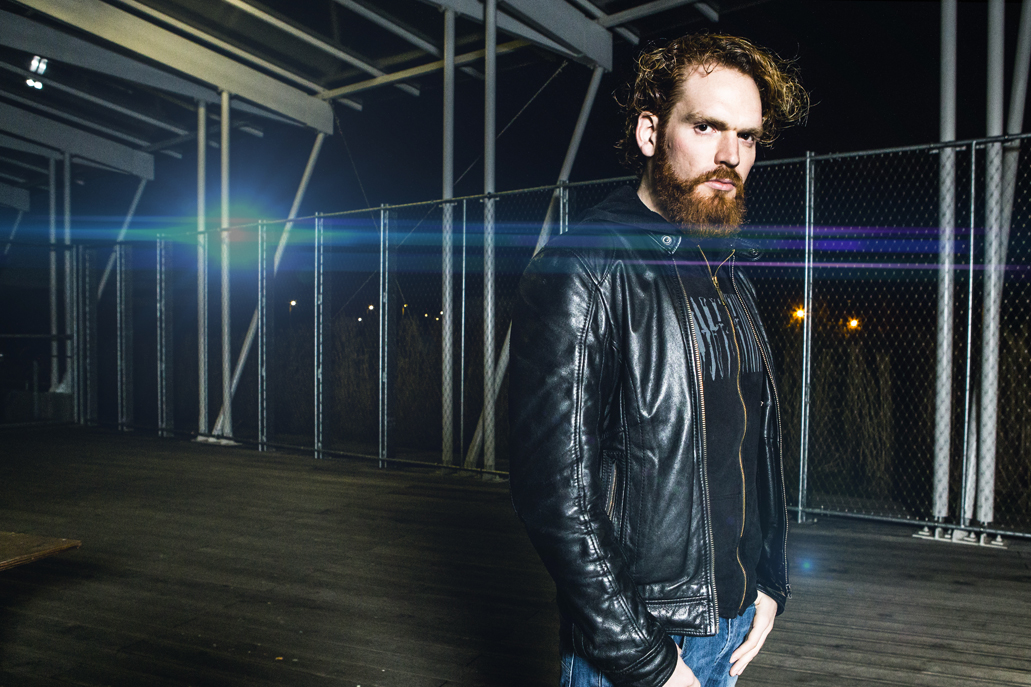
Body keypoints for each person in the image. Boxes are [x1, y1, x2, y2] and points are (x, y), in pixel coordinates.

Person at [508, 33, 808, 687]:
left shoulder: (729, 269)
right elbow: (554, 494)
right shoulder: (582, 267)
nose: (730, 155)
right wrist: (646, 659)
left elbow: (743, 446)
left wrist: (767, 583)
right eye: (705, 127)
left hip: (728, 623)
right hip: (640, 641)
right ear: (650, 132)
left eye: (748, 136)